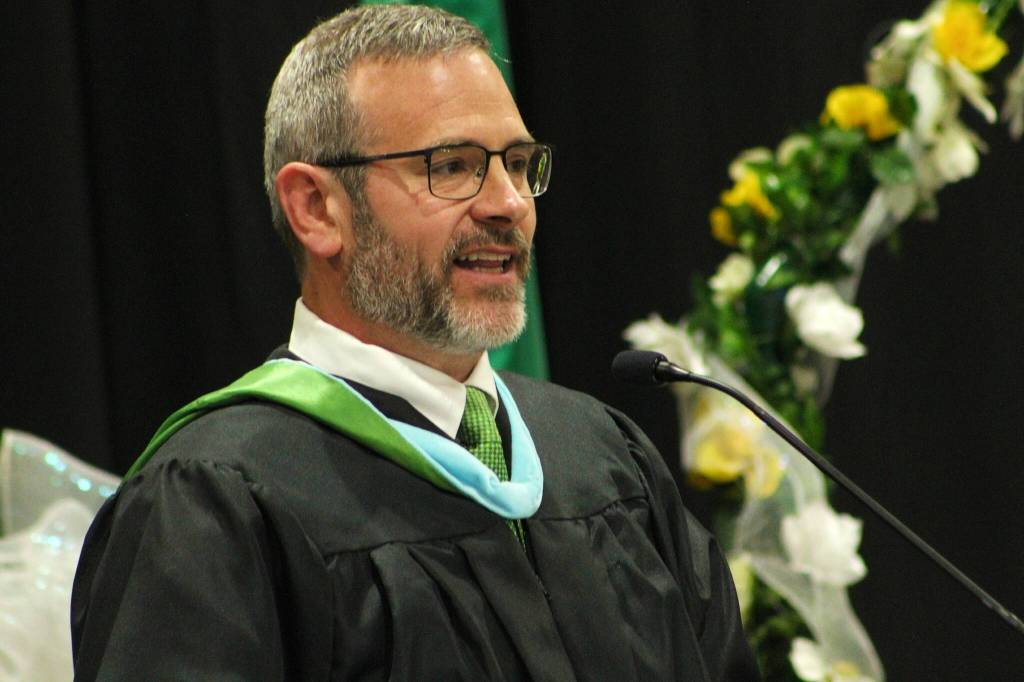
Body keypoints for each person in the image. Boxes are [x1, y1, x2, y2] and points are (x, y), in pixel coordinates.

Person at [70, 5, 760, 680]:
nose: (509, 204)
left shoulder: (604, 458)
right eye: (452, 165)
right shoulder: (213, 502)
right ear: (316, 208)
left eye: (519, 163)